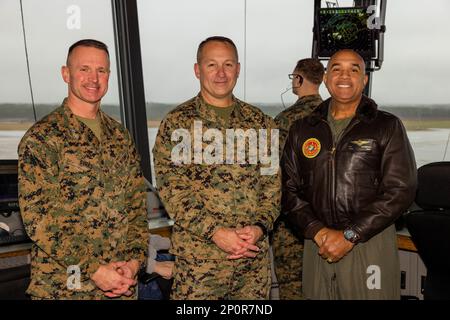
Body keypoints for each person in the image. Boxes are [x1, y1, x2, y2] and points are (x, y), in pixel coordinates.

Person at [18, 39, 149, 299]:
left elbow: (137, 208)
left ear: (109, 76)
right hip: (66, 287)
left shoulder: (120, 137)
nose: (94, 78)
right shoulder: (43, 138)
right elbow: (39, 219)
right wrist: (94, 269)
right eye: (84, 69)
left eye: (101, 70)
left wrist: (134, 262)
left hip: (121, 285)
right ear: (66, 74)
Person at [281, 49, 417, 299]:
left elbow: (401, 189)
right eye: (336, 68)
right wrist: (318, 231)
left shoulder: (386, 126)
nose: (345, 75)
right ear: (325, 78)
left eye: (354, 69)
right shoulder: (301, 129)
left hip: (369, 242)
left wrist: (350, 234)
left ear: (364, 80)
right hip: (317, 244)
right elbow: (288, 188)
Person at [152, 36, 280, 299]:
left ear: (238, 69)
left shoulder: (262, 123)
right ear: (198, 70)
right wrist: (216, 233)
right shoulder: (177, 124)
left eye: (228, 65)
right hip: (200, 269)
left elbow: (273, 186)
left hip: (251, 267)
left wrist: (258, 228)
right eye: (212, 65)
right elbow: (174, 192)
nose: (221, 73)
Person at [272, 58, 324, 299]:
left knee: (292, 282)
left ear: (300, 79)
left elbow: (269, 167)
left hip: (292, 216)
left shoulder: (285, 120)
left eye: (294, 77)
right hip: (328, 217)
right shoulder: (333, 115)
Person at [138, 234, 174, 300]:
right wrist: (152, 266)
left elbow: (136, 237)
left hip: (150, 258)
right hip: (143, 277)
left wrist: (175, 243)